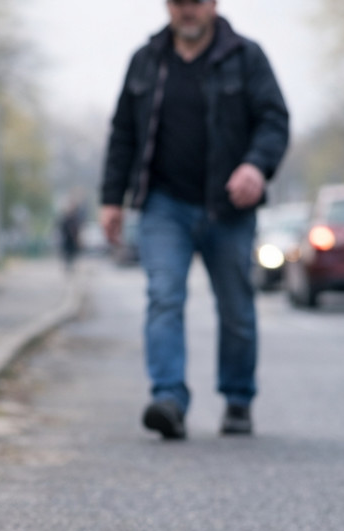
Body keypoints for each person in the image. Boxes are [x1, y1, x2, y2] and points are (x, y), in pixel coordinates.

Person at [99, 0, 288, 439]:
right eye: (179, 2)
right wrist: (112, 199)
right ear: (168, 6)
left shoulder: (247, 57)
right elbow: (123, 131)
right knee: (164, 297)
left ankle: (238, 398)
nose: (188, 11)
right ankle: (169, 398)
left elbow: (274, 121)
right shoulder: (146, 59)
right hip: (164, 205)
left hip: (228, 207)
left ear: (213, 5)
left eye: (196, 2)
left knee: (236, 308)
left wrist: (256, 166)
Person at [57, 202, 84, 274]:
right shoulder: (65, 219)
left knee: (73, 255)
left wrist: (77, 238)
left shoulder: (75, 219)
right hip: (67, 240)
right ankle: (68, 267)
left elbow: (78, 229)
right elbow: (62, 229)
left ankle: (71, 267)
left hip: (73, 241)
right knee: (67, 255)